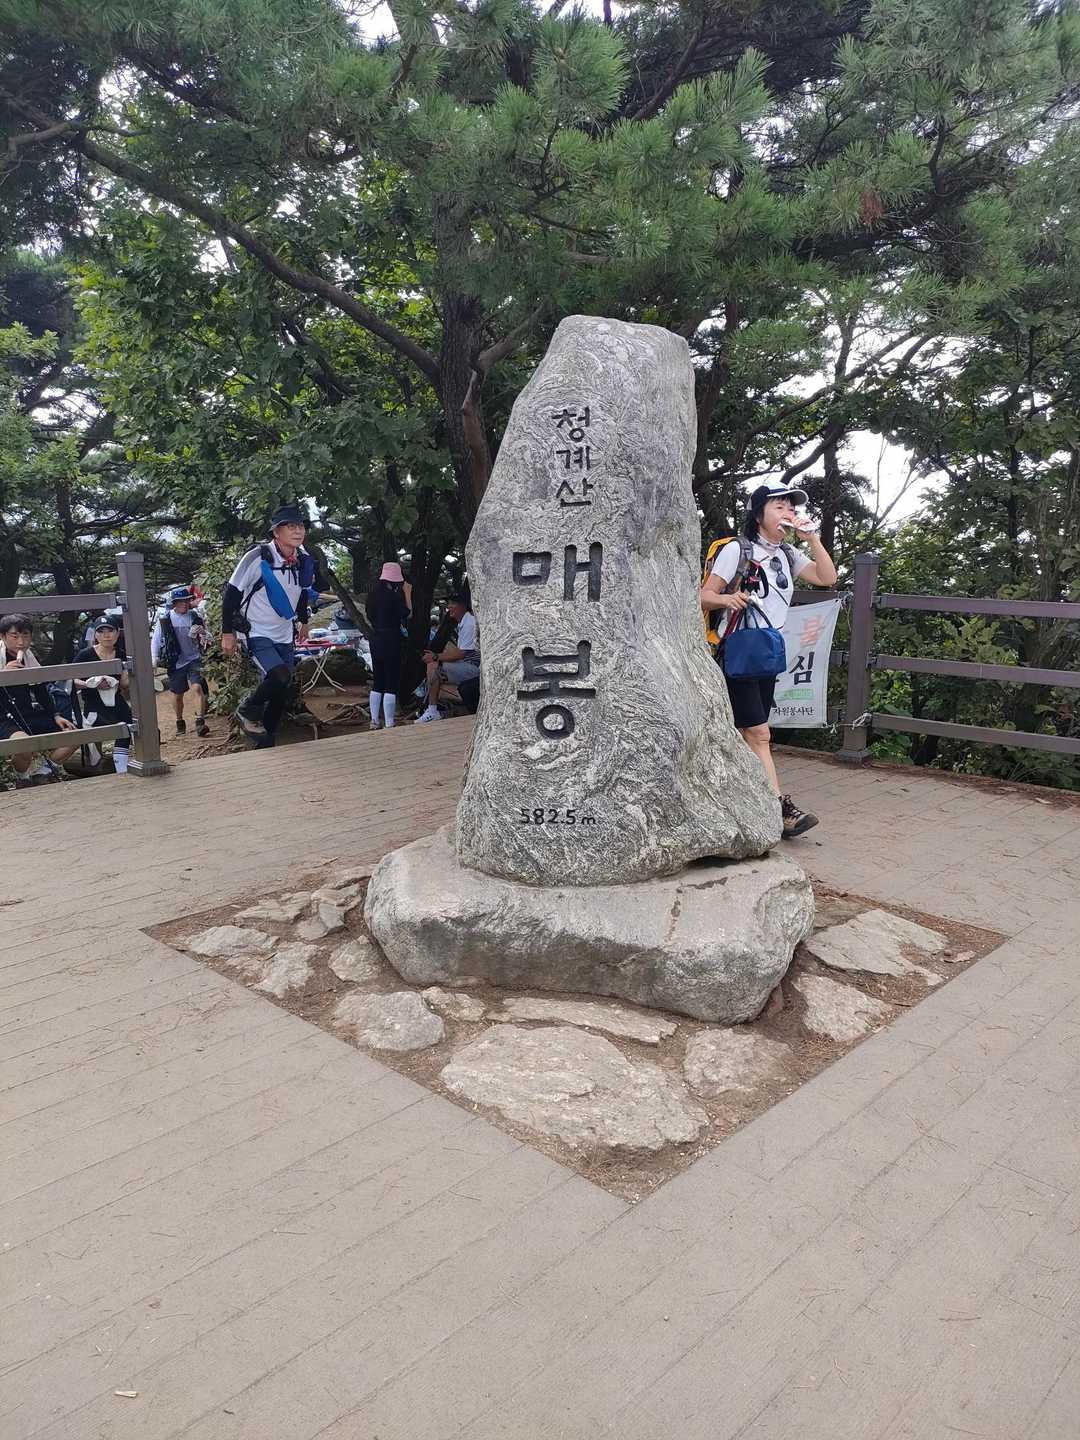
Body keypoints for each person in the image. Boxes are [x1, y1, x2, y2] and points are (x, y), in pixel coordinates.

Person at [699, 481, 837, 839]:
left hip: (767, 652)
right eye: (779, 506)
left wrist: (812, 539)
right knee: (759, 733)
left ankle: (743, 801)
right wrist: (726, 600)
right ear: (758, 513)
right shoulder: (738, 549)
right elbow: (702, 596)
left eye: (791, 507)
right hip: (738, 650)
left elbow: (826, 577)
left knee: (747, 733)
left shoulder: (788, 555)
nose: (788, 513)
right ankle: (779, 810)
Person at [220, 503, 317, 748]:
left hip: (284, 631)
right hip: (256, 631)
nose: (298, 531)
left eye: (301, 526)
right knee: (279, 675)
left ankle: (267, 739)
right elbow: (231, 595)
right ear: (276, 532)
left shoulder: (302, 558)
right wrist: (227, 633)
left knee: (282, 689)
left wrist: (304, 622)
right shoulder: (257, 556)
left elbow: (302, 592)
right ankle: (247, 709)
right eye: (291, 526)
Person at [0, 614, 78, 787]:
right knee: (24, 745)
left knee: (74, 735)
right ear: (3, 636)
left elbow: (41, 690)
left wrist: (55, 715)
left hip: (27, 713)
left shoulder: (30, 658)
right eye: (14, 636)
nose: (21, 642)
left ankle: (42, 771)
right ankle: (22, 777)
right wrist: (3, 675)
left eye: (25, 635)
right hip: (4, 718)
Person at [73, 616, 133, 774]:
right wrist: (90, 684)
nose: (106, 635)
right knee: (97, 730)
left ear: (117, 633)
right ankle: (96, 765)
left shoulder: (121, 654)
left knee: (130, 725)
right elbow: (71, 680)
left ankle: (121, 768)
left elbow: (124, 683)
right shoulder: (85, 655)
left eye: (110, 631)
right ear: (95, 635)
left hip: (116, 700)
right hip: (93, 702)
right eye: (101, 631)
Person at [151, 586, 210, 737]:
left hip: (194, 658)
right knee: (178, 695)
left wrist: (203, 632)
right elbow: (156, 639)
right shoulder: (166, 619)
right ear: (174, 603)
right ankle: (179, 720)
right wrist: (154, 658)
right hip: (175, 661)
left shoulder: (195, 616)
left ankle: (200, 722)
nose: (184, 604)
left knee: (197, 688)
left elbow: (208, 637)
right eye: (180, 601)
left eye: (186, 601)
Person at [416, 592, 480, 724]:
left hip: (475, 668)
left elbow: (461, 654)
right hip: (468, 664)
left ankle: (432, 710)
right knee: (435, 673)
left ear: (462, 606)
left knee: (434, 667)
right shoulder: (464, 622)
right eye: (448, 604)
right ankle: (434, 708)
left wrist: (435, 656)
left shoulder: (469, 624)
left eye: (452, 604)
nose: (449, 607)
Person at [365, 562, 412, 730]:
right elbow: (407, 613)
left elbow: (370, 615)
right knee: (391, 681)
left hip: (376, 638)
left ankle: (374, 721)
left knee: (378, 681)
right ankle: (389, 722)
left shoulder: (372, 595)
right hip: (391, 639)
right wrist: (408, 593)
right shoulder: (393, 596)